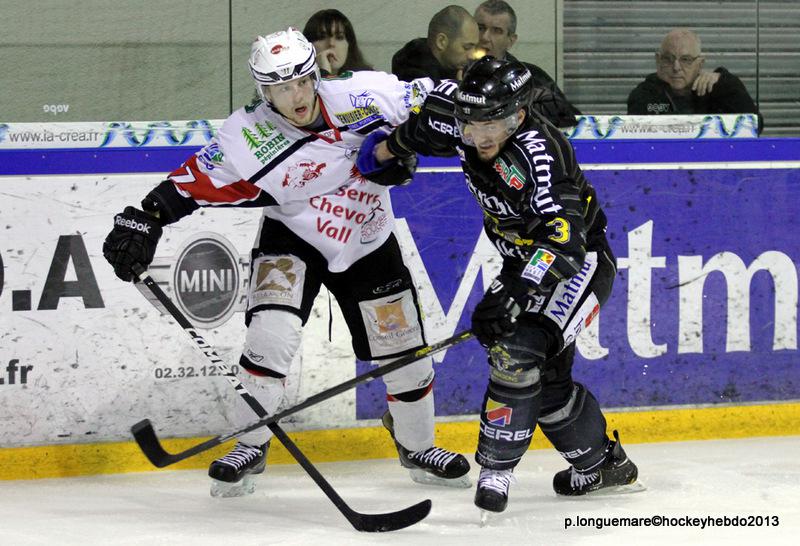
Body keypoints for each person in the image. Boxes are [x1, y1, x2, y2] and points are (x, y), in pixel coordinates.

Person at [103, 28, 470, 497]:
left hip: (366, 237)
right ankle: (249, 446)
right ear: (264, 92)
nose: (295, 96)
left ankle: (417, 446)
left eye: (301, 82)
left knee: (405, 356)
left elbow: (439, 96)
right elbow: (194, 180)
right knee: (269, 337)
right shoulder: (247, 135)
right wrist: (145, 218)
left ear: (315, 75)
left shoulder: (365, 93)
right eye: (280, 88)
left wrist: (453, 110)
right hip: (292, 237)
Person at [357, 56, 640, 516]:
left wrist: (517, 291)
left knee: (517, 351)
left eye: (494, 124)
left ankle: (495, 472)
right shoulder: (461, 118)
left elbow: (564, 243)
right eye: (470, 124)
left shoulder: (540, 156)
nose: (481, 136)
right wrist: (387, 153)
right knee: (548, 386)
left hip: (577, 263)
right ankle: (603, 465)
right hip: (519, 260)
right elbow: (423, 126)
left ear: (519, 116)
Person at [627, 28, 762, 131]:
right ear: (658, 60)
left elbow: (756, 125)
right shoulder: (644, 94)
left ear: (700, 64)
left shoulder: (716, 88)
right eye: (668, 59)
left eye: (686, 60)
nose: (676, 67)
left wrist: (724, 81)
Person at [473, 0, 580, 127]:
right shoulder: (455, 69)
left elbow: (570, 118)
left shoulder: (530, 76)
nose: (485, 37)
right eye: (480, 28)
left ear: (510, 41)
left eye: (496, 31)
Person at [391, 5, 479, 81]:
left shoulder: (460, 69)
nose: (472, 56)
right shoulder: (415, 77)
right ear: (441, 42)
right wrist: (458, 89)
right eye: (467, 47)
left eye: (475, 47)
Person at [303, 9, 373, 76]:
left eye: (339, 37)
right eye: (322, 37)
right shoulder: (298, 79)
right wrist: (323, 72)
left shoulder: (368, 79)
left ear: (349, 45)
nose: (331, 43)